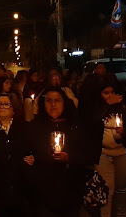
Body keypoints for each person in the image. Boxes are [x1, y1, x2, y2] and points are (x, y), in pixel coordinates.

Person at [25, 87, 96, 216]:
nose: (53, 105)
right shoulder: (34, 126)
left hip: (71, 191)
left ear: (64, 103)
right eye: (49, 101)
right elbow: (26, 152)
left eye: (57, 100)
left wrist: (69, 158)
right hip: (43, 193)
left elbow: (89, 155)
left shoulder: (76, 126)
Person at [0, 93, 29, 217]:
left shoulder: (23, 128)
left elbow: (29, 150)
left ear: (13, 108)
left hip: (20, 187)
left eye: (6, 104)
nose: (2, 107)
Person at [93, 84, 126, 217]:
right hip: (103, 154)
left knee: (121, 188)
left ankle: (120, 213)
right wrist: (107, 106)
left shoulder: (124, 107)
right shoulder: (97, 108)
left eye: (112, 92)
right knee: (107, 189)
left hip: (122, 153)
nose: (110, 96)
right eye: (106, 93)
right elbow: (92, 125)